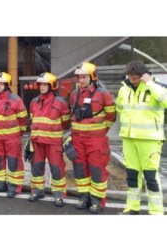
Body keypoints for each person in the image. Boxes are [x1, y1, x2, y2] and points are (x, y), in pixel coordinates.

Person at [116, 60, 166, 215]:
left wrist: (150, 83)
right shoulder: (124, 89)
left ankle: (156, 211)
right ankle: (132, 207)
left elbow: (165, 101)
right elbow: (120, 108)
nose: (132, 80)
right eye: (130, 77)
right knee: (132, 176)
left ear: (144, 75)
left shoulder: (157, 87)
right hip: (129, 139)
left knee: (150, 177)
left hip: (150, 140)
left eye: (135, 78)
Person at [69, 61, 116, 214]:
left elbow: (111, 116)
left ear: (92, 77)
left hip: (96, 140)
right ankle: (84, 197)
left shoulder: (103, 94)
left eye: (83, 77)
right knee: (80, 169)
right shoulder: (75, 94)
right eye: (79, 78)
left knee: (97, 169)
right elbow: (74, 115)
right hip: (78, 139)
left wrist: (100, 131)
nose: (80, 81)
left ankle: (97, 201)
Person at [28, 72, 70, 207]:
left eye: (45, 85)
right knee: (36, 168)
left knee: (57, 169)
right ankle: (37, 191)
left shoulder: (61, 102)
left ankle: (58, 195)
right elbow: (32, 120)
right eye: (40, 85)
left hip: (53, 142)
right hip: (37, 141)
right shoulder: (34, 102)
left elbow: (65, 123)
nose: (42, 87)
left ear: (52, 86)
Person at [0, 72, 28, 198]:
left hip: (12, 139)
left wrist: (18, 133)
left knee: (13, 163)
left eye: (2, 84)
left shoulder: (15, 99)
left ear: (7, 85)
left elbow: (23, 119)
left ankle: (14, 187)